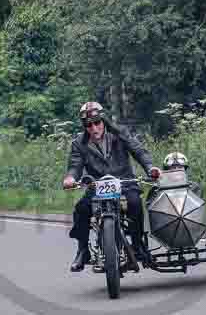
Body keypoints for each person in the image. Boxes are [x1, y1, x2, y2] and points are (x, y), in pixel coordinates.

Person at [62, 101, 161, 271]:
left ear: (104, 120)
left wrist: (150, 168)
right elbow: (75, 165)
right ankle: (83, 250)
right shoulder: (79, 143)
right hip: (97, 187)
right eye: (88, 125)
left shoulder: (120, 133)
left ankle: (137, 244)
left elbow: (138, 151)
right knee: (81, 209)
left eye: (97, 123)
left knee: (135, 204)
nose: (94, 128)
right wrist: (70, 178)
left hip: (124, 183)